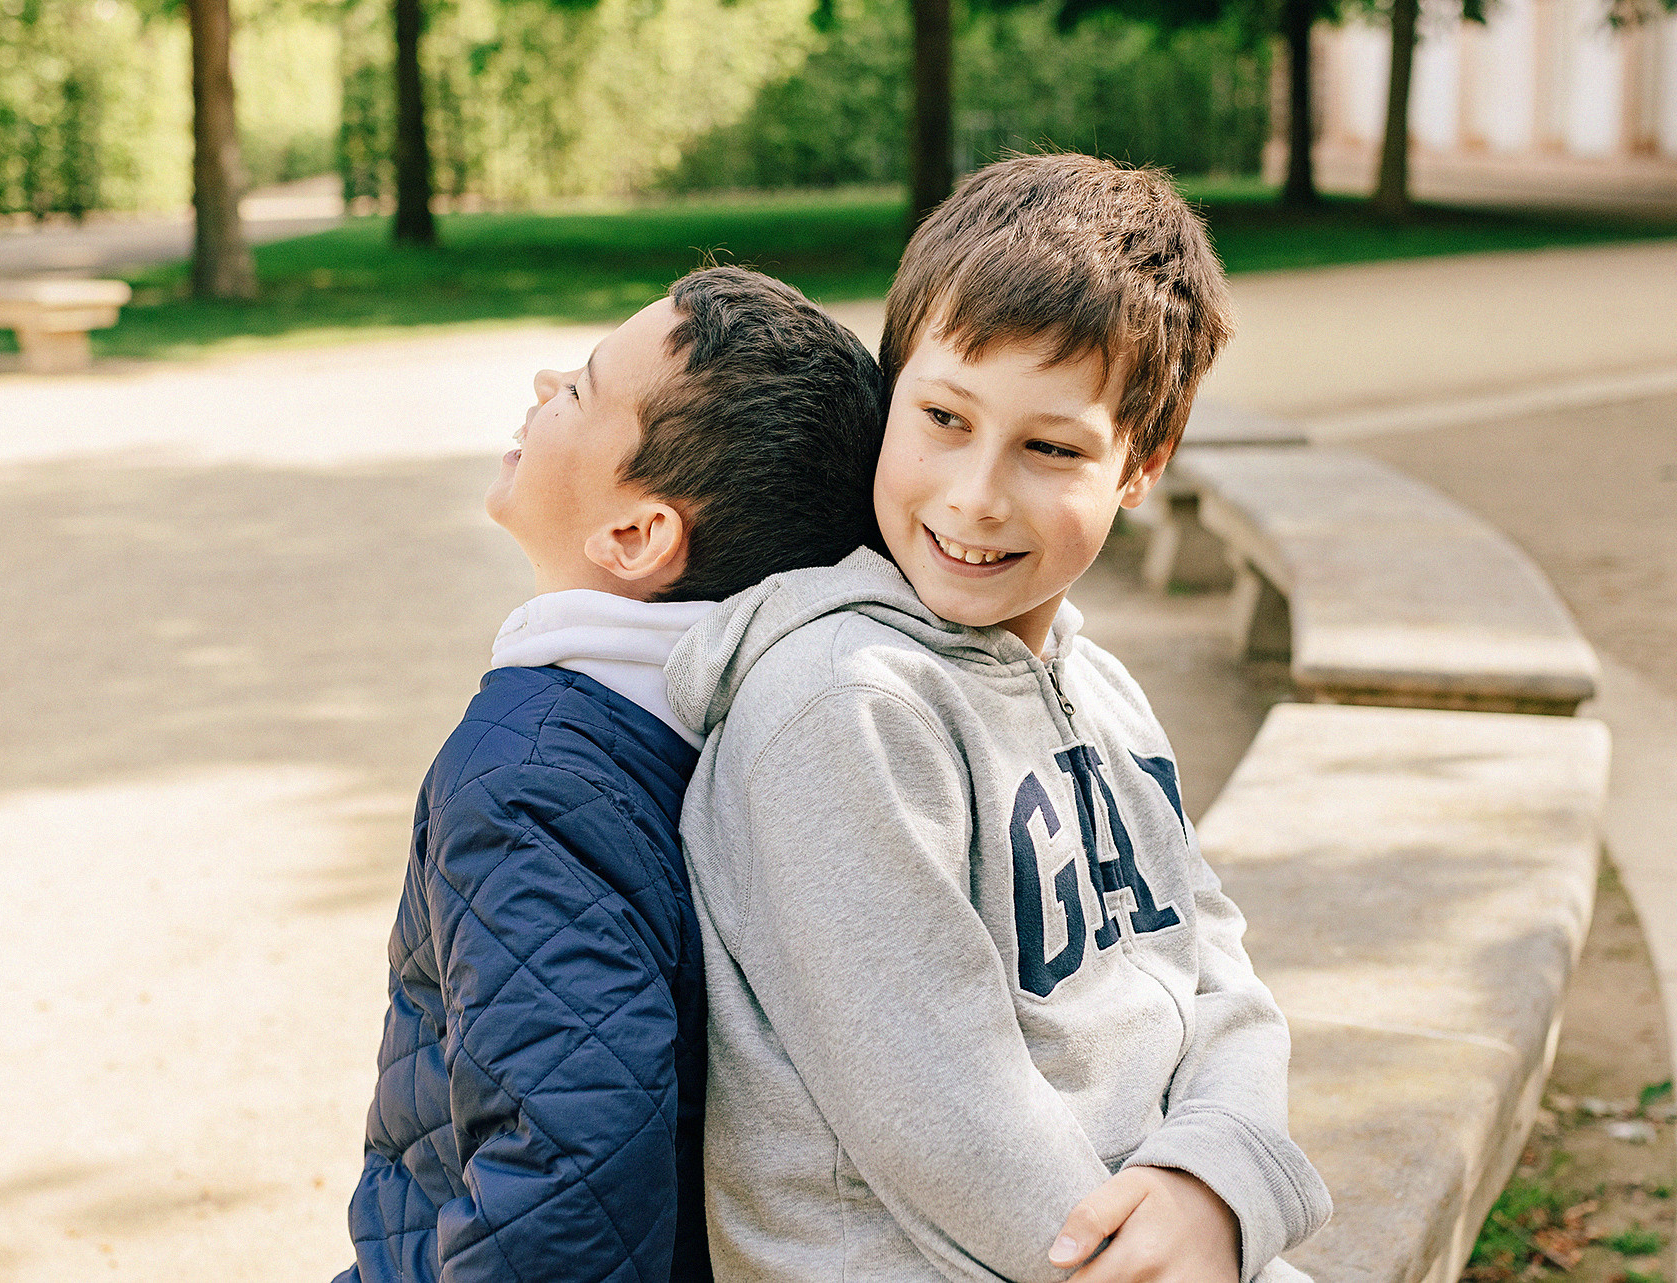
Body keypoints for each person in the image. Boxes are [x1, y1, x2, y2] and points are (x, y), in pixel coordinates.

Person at [666, 155, 1331, 1283]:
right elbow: (940, 1113)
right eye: (941, 417)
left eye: (1051, 448)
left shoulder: (1101, 692)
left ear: (1140, 465)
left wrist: (1215, 1179)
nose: (975, 493)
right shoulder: (844, 705)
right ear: (890, 398)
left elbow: (1212, 961)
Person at [336, 265, 886, 1283]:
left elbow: (570, 1180)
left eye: (582, 387)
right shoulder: (770, 728)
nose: (547, 379)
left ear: (634, 536)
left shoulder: (526, 779)